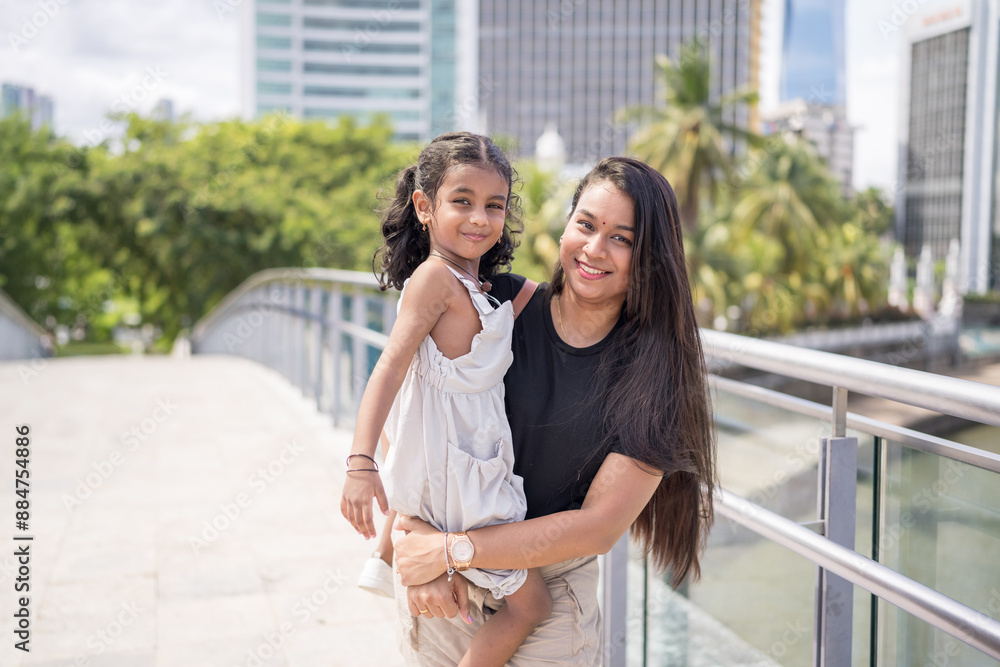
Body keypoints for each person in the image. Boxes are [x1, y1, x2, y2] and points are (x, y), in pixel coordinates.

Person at [389, 156, 718, 665]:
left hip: (552, 589)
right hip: (450, 579)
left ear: (650, 256)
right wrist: (417, 544)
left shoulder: (656, 377)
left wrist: (451, 549)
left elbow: (598, 527)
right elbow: (406, 418)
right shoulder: (491, 305)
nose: (594, 249)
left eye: (622, 239)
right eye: (585, 225)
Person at [340, 131, 553, 667]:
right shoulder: (434, 278)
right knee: (530, 605)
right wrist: (361, 463)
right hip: (458, 478)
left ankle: (395, 557)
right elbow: (391, 368)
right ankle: (403, 555)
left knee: (510, 601)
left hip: (473, 463)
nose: (479, 218)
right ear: (424, 206)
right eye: (462, 202)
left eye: (494, 205)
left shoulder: (474, 284)